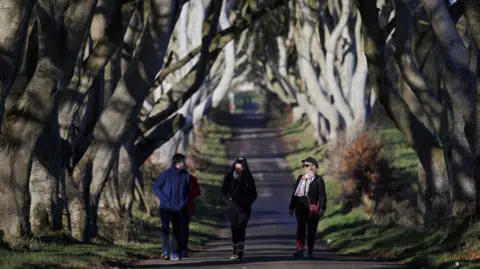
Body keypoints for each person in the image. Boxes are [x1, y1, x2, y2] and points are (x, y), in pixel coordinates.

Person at [153, 153, 190, 261]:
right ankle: (165, 251)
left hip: (179, 208)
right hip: (166, 207)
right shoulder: (165, 174)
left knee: (176, 229)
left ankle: (174, 252)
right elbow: (156, 188)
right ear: (177, 163)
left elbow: (188, 191)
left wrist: (184, 202)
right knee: (165, 228)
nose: (185, 163)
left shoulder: (185, 175)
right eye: (183, 162)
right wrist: (164, 199)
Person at [288, 157, 327, 259]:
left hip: (313, 210)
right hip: (300, 209)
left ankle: (309, 252)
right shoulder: (300, 178)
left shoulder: (318, 180)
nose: (304, 167)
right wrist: (291, 207)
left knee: (311, 231)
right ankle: (299, 250)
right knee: (300, 229)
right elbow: (295, 194)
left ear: (313, 166)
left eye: (306, 165)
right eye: (304, 165)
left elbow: (322, 196)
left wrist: (322, 208)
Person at [221, 157, 257, 260]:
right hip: (232, 207)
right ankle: (235, 249)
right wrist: (228, 202)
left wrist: (248, 202)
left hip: (244, 208)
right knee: (234, 227)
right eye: (237, 168)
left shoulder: (248, 178)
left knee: (241, 226)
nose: (238, 170)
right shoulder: (229, 177)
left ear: (245, 168)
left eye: (241, 168)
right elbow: (223, 191)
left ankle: (240, 248)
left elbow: (254, 194)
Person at [180, 165, 201, 258]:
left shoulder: (192, 179)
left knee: (184, 228)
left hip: (186, 208)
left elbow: (197, 192)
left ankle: (183, 249)